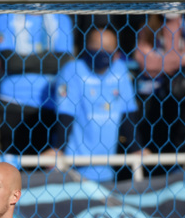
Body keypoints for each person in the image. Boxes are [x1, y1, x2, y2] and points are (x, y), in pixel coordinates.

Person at [45, 26, 138, 182]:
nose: (101, 51)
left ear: (116, 53)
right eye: (96, 45)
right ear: (86, 47)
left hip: (107, 169)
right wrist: (58, 149)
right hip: (73, 169)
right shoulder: (72, 70)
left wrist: (137, 148)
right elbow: (66, 113)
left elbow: (128, 113)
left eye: (107, 47)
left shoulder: (120, 70)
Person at [0, 12, 75, 159]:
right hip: (12, 101)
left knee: (41, 172)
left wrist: (22, 61)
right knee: (12, 165)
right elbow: (9, 61)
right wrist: (47, 57)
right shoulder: (5, 17)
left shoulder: (62, 19)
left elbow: (63, 61)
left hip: (49, 103)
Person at [132, 11, 185, 166]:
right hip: (151, 99)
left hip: (183, 99)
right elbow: (146, 63)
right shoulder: (148, 29)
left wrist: (162, 62)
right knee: (153, 149)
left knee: (176, 148)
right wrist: (181, 59)